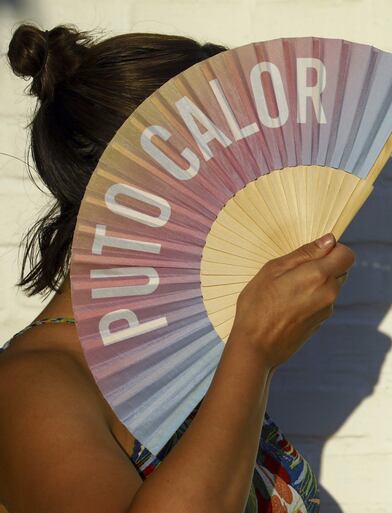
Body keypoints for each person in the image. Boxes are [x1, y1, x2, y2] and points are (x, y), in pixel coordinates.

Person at [0, 23, 354, 513]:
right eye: (239, 173)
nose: (257, 198)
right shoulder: (34, 386)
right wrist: (252, 352)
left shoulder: (178, 364)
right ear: (145, 188)